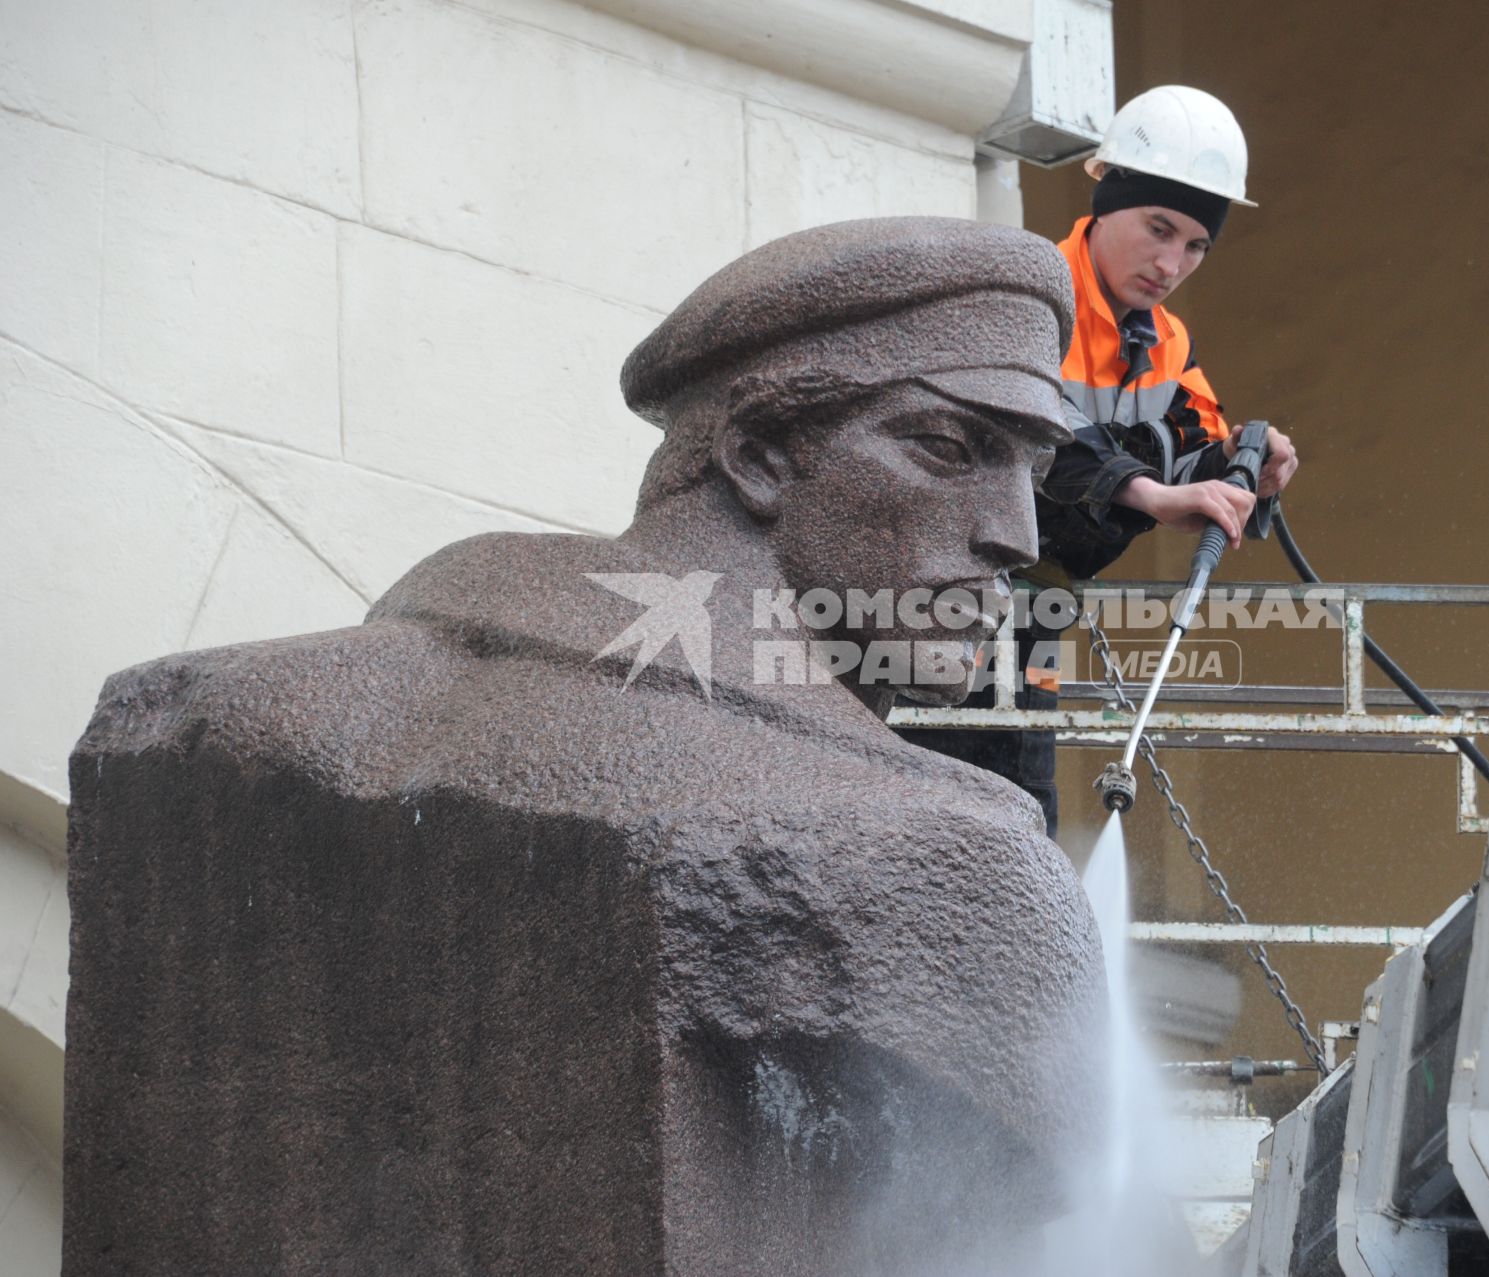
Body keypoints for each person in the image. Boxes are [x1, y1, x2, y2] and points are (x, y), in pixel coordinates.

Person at [63, 217, 1105, 1277]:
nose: (1015, 534)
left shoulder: (227, 708)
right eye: (950, 447)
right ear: (756, 456)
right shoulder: (948, 864)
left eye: (1031, 468)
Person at [901, 86, 1299, 836]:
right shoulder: (1025, 294)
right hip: (938, 603)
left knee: (1024, 813)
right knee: (931, 807)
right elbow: (1039, 434)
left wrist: (1244, 466)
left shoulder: (1167, 344)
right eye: (1159, 227)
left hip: (1038, 613)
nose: (1171, 262)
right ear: (1107, 196)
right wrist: (1147, 492)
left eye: (1194, 245)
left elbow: (1189, 441)